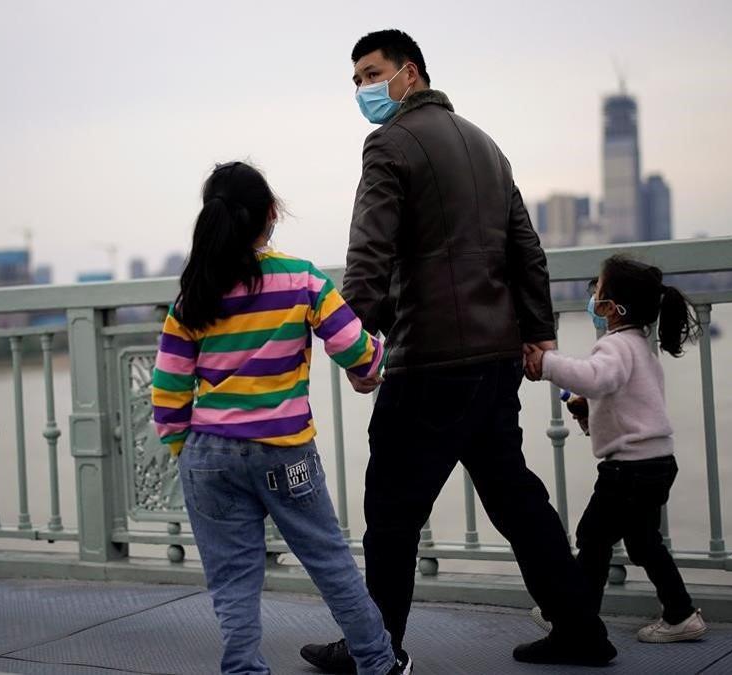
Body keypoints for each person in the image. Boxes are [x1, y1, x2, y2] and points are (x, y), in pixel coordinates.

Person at [299, 29, 616, 670]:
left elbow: (371, 252)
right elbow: (525, 247)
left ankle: (375, 649)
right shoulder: (485, 144)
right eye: (355, 79)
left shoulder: (388, 143)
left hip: (433, 360)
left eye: (371, 73)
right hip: (494, 357)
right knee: (515, 497)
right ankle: (581, 627)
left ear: (408, 73)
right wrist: (537, 330)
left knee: (391, 510)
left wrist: (356, 342)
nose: (362, 89)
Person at [151, 161, 412, 675]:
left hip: (208, 454)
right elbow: (356, 351)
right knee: (330, 563)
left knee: (232, 581)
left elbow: (168, 390)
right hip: (284, 450)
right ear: (271, 215)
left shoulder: (194, 294)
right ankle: (379, 665)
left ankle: (244, 669)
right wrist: (377, 359)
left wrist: (187, 449)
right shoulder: (300, 278)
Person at [526, 255, 709, 643]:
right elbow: (628, 404)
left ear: (611, 308)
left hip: (628, 470)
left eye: (597, 289)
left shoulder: (614, 347)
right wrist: (588, 413)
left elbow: (596, 379)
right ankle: (680, 613)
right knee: (643, 542)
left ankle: (575, 618)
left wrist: (547, 363)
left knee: (592, 537)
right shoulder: (640, 346)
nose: (592, 295)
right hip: (657, 462)